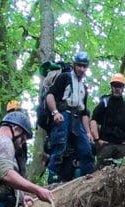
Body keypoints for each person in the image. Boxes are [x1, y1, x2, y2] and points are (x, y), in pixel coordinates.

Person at [45, 50, 95, 183]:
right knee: (59, 147)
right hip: (64, 115)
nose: (82, 69)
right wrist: (55, 112)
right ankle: (53, 180)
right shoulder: (65, 77)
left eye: (84, 66)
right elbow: (50, 95)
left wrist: (89, 132)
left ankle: (88, 179)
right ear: (74, 65)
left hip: (77, 119)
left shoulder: (84, 87)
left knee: (86, 149)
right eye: (79, 65)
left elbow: (84, 112)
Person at [90, 73, 125, 169]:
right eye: (115, 85)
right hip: (106, 145)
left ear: (123, 88)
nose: (117, 88)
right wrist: (97, 139)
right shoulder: (104, 104)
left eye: (119, 86)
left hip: (123, 147)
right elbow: (93, 121)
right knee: (101, 173)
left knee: (122, 174)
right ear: (112, 87)